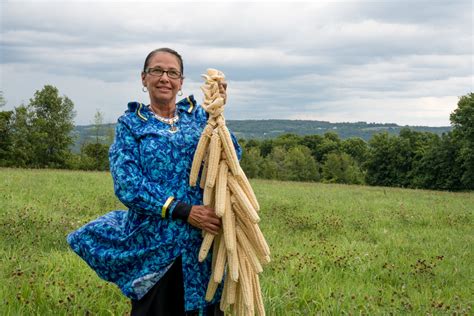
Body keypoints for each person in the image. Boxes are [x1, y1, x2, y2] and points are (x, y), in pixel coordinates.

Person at [67, 47, 241, 316]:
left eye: (172, 72)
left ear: (181, 82)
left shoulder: (198, 117)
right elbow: (127, 183)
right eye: (157, 70)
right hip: (156, 241)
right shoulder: (131, 124)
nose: (164, 78)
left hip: (201, 242)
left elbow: (231, 159)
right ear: (144, 78)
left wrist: (219, 115)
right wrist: (183, 211)